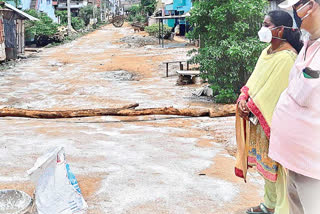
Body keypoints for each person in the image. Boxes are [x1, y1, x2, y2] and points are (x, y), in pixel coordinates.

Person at [235, 10, 303, 214]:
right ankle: (269, 204)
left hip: (274, 120)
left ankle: (282, 209)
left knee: (279, 168)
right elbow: (255, 80)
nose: (263, 29)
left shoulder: (287, 57)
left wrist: (252, 106)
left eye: (267, 25)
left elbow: (275, 92)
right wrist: (243, 98)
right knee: (266, 165)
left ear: (280, 30)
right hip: (259, 116)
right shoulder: (267, 52)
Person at [269, 0, 320, 213]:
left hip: (313, 163)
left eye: (298, 5)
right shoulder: (309, 43)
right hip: (296, 159)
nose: (295, 12)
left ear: (314, 5)